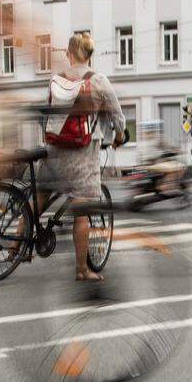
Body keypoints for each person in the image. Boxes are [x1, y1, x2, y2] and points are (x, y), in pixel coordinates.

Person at [40, 32, 126, 281]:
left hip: (54, 151)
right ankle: (81, 269)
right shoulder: (98, 81)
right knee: (82, 212)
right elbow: (117, 117)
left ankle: (15, 247)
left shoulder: (55, 80)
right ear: (89, 55)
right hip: (82, 155)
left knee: (39, 198)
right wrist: (119, 136)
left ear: (69, 54)